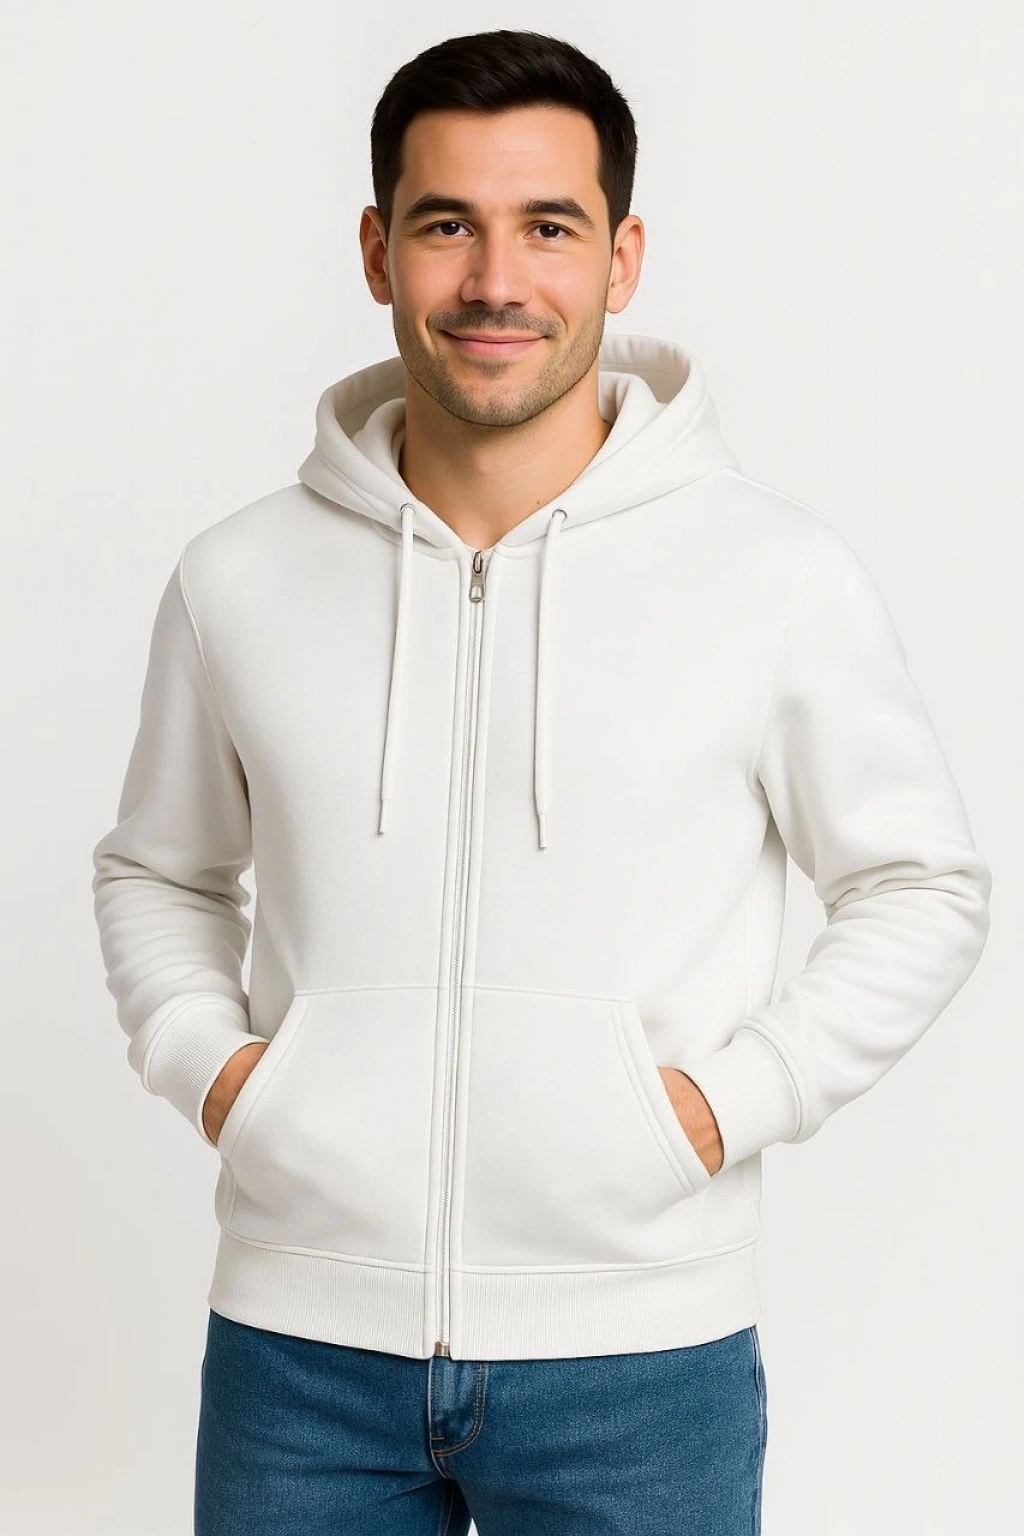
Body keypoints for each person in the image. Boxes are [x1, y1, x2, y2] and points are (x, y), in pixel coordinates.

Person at [90, 28, 992, 1536]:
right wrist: (217, 1069)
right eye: (447, 224)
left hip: (642, 1362)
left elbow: (921, 884)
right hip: (299, 1356)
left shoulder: (772, 576)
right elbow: (159, 869)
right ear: (378, 251)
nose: (496, 279)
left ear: (622, 259)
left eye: (549, 227)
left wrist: (721, 1106)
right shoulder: (237, 576)